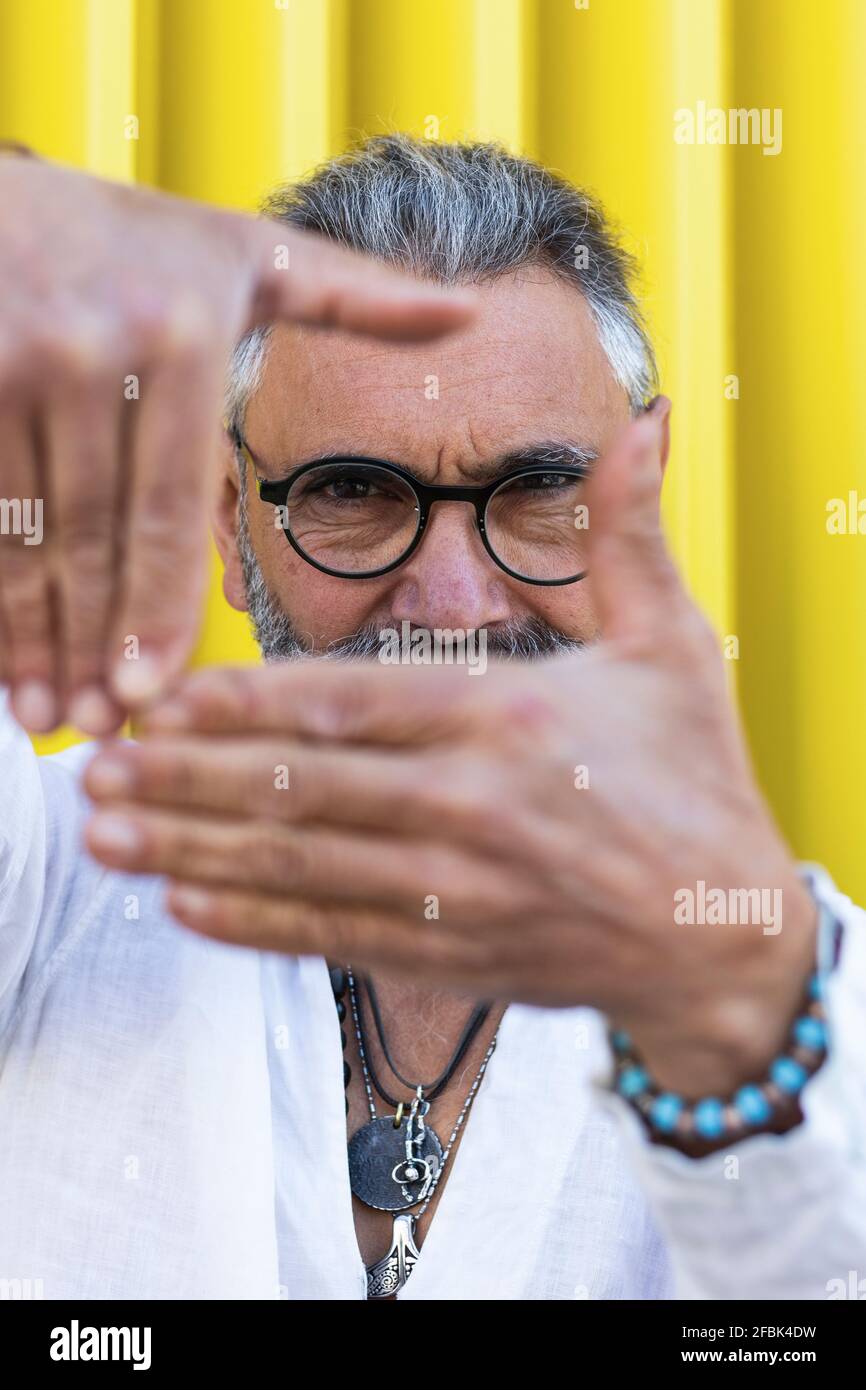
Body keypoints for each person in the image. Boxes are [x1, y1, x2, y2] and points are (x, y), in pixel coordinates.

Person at [0, 135, 863, 1301]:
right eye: (352, 493)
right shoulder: (50, 887)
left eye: (536, 492)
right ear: (224, 518)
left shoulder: (804, 999)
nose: (450, 610)